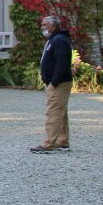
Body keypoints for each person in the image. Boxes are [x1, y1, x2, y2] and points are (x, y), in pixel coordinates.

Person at [31, 14, 73, 154]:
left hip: (59, 83)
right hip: (57, 82)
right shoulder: (54, 39)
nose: (42, 27)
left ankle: (48, 144)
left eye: (45, 25)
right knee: (60, 112)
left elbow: (62, 63)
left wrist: (53, 82)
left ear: (53, 26)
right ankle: (63, 141)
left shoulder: (59, 40)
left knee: (53, 112)